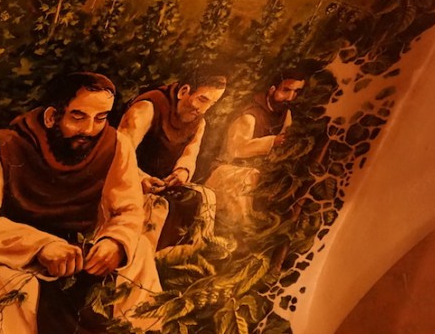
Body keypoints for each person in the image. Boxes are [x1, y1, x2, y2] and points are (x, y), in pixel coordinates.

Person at [0, 72, 160, 334]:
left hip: (78, 256)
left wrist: (115, 241)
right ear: (51, 116)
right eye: (78, 117)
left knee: (138, 252)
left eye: (100, 118)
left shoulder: (115, 146)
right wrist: (40, 247)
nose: (89, 129)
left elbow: (127, 209)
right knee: (3, 288)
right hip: (5, 261)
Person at [118, 71, 227, 248]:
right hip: (130, 181)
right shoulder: (146, 108)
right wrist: (141, 178)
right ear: (184, 91)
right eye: (202, 99)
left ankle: (191, 254)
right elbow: (120, 154)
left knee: (205, 197)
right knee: (156, 209)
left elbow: (190, 154)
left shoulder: (199, 122)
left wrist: (181, 172)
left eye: (211, 104)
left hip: (163, 184)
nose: (203, 109)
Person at [205, 70, 306, 226]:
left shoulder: (285, 114)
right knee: (250, 178)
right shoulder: (250, 115)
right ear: (272, 89)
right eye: (286, 90)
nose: (290, 97)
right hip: (228, 170)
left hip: (261, 169)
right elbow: (236, 150)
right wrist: (273, 141)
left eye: (296, 92)